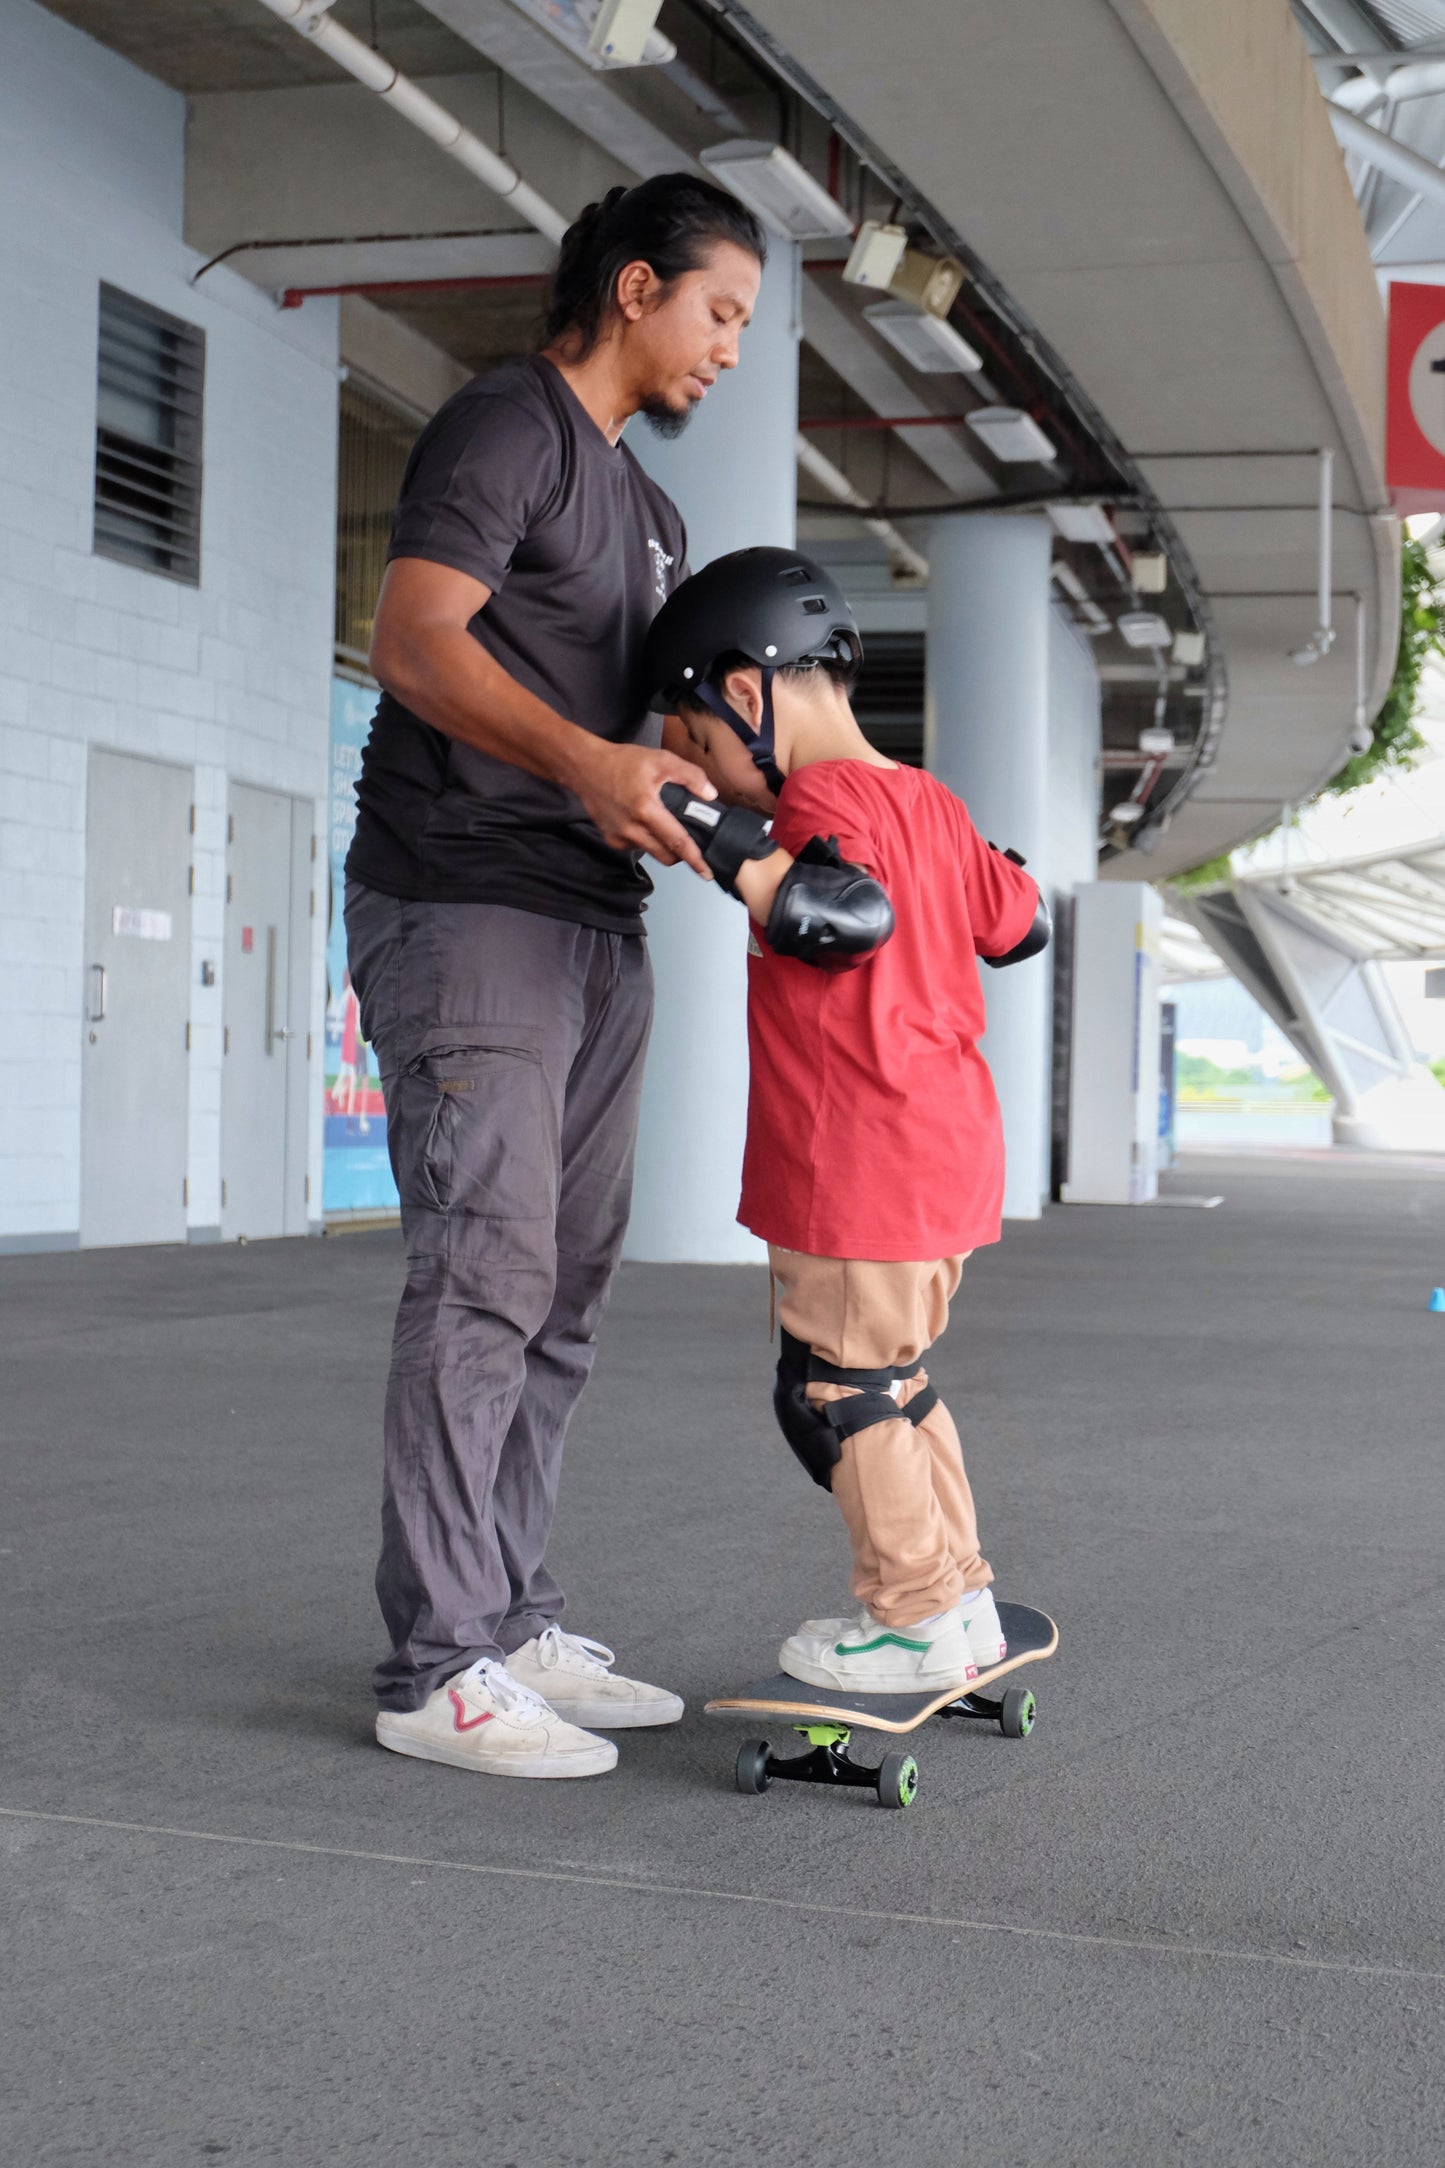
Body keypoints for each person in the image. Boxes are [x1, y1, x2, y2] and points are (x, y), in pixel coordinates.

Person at [344, 175, 767, 1780]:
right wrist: (590, 760)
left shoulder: (647, 513)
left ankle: (512, 1617)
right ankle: (438, 1665)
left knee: (565, 1292)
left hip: (597, 921)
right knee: (484, 1270)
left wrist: (762, 805)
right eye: (720, 312)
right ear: (639, 286)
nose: (730, 348)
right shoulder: (506, 427)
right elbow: (415, 639)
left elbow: (648, 747)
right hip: (466, 905)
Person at [643, 548, 1050, 1693]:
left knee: (834, 1390)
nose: (715, 774)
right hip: (947, 1161)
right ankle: (958, 1595)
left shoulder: (817, 804)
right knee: (896, 1378)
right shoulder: (930, 801)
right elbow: (1018, 924)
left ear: (739, 692)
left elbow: (840, 912)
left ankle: (910, 1616)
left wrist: (701, 826)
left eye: (701, 744)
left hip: (855, 1161)